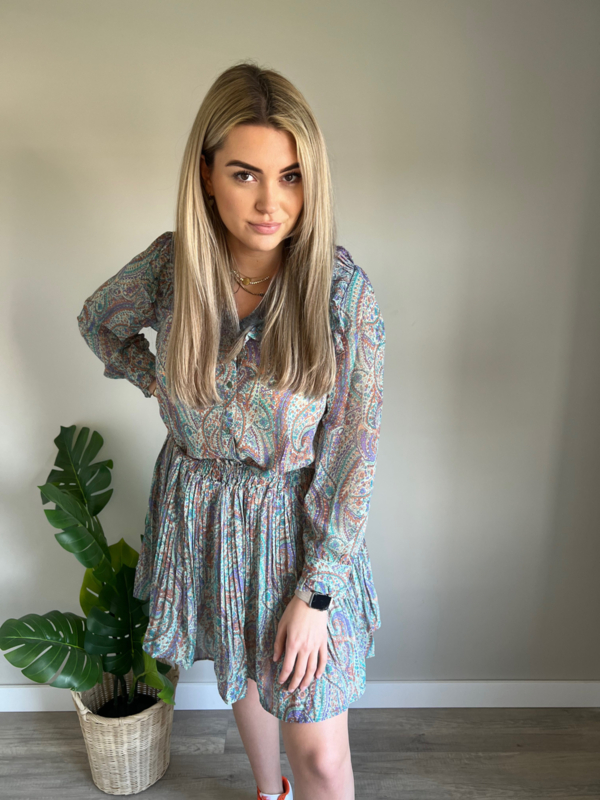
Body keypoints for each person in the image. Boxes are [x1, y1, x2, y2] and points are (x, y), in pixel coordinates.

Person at [77, 60, 385, 800]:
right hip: (202, 513)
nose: (271, 202)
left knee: (321, 755)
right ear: (207, 175)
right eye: (246, 175)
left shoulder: (341, 296)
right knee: (240, 671)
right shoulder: (171, 268)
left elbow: (353, 456)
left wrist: (316, 597)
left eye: (291, 177)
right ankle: (267, 791)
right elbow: (99, 322)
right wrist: (162, 382)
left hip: (297, 530)